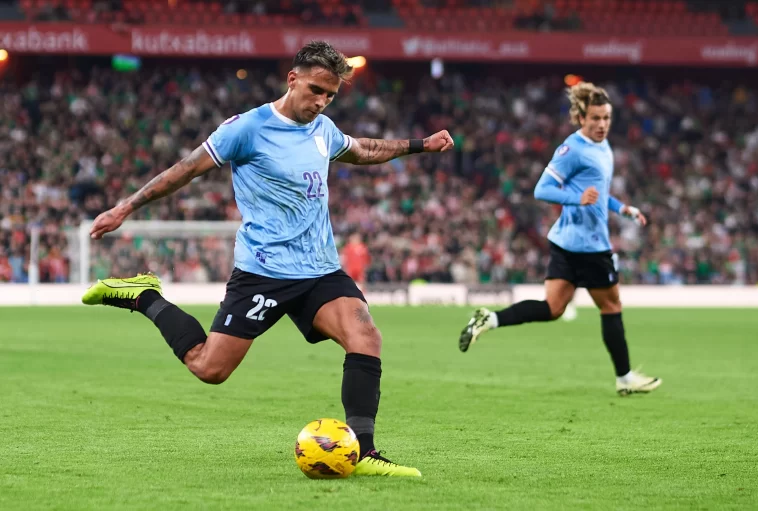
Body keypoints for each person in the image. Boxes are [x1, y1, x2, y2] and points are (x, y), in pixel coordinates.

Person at [82, 41, 454, 476]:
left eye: (330, 95)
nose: (320, 101)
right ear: (292, 79)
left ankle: (365, 452)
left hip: (319, 269)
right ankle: (145, 297)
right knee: (209, 368)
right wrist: (126, 206)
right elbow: (185, 169)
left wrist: (418, 145)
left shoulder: (323, 128)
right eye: (315, 90)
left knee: (366, 337)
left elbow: (360, 151)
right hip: (264, 273)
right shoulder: (246, 128)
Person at [458, 82, 661, 396]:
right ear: (581, 118)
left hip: (567, 243)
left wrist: (623, 208)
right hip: (590, 245)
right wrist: (577, 197)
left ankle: (491, 319)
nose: (602, 124)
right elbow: (542, 189)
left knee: (553, 308)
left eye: (606, 118)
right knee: (611, 305)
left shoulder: (603, 148)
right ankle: (624, 379)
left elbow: (599, 193)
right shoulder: (572, 149)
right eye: (595, 118)